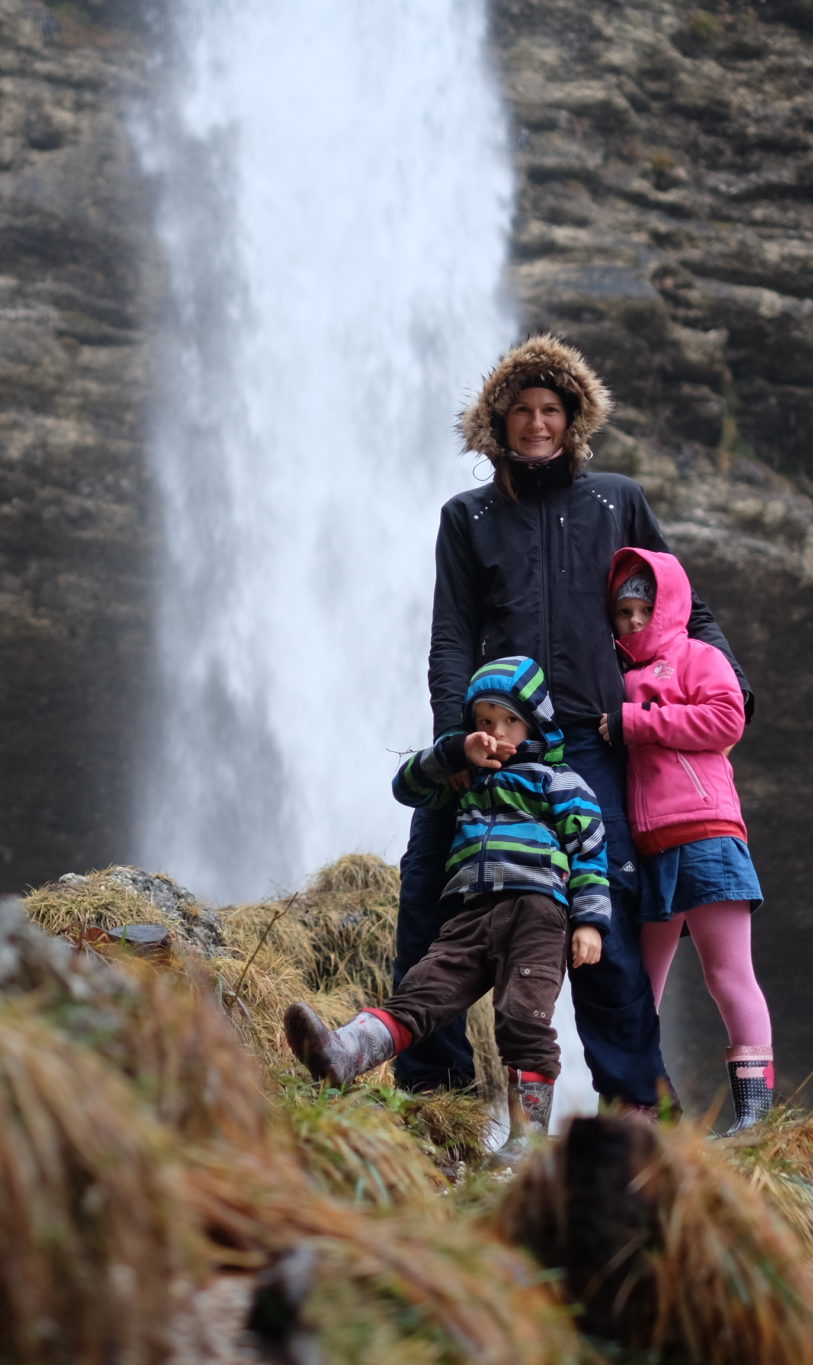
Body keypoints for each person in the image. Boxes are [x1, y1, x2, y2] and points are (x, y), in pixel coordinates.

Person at [396, 333, 753, 1115]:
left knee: (611, 924)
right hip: (493, 738)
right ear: (498, 421)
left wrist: (729, 688)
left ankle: (637, 1117)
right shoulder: (469, 517)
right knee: (427, 890)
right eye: (520, 410)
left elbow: (683, 606)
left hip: (591, 740)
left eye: (550, 409)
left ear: (573, 417)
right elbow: (452, 636)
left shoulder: (614, 501)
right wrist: (456, 745)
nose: (535, 424)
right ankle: (436, 1099)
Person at [284, 656, 611, 1146]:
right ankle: (343, 1052)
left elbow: (590, 851)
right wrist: (458, 751)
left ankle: (526, 1144)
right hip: (471, 913)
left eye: (509, 721)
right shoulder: (467, 784)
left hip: (537, 913)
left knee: (524, 1020)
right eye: (484, 721)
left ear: (536, 723)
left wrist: (589, 922)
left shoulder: (558, 783)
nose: (496, 731)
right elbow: (406, 786)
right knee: (421, 992)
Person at [600, 550, 775, 1133]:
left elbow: (728, 718)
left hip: (706, 835)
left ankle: (754, 1117)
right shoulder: (616, 678)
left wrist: (638, 722)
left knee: (727, 975)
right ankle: (641, 1107)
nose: (630, 623)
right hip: (648, 851)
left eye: (642, 610)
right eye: (621, 612)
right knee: (637, 988)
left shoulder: (699, 657)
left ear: (667, 605)